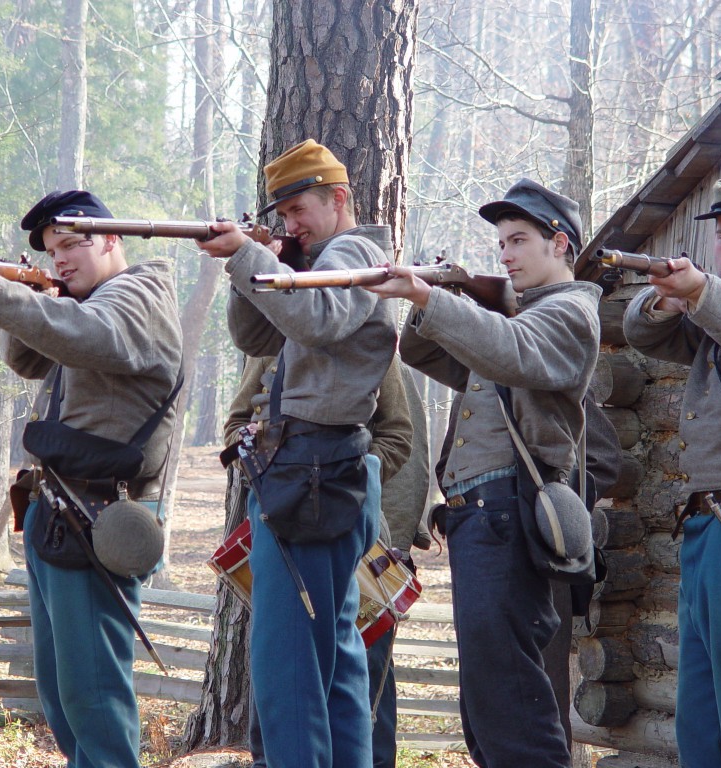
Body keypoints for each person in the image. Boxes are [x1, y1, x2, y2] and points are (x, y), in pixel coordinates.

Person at [367, 179, 601, 768]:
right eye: (500, 244)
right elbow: (423, 354)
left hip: (509, 509)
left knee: (510, 699)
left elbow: (513, 351)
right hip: (480, 515)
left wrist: (435, 298)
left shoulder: (570, 312)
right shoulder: (513, 314)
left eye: (519, 240)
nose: (505, 255)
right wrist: (448, 290)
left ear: (561, 244)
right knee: (487, 700)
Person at [0, 190, 182, 768]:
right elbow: (29, 358)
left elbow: (92, 335)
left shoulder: (137, 293)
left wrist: (8, 296)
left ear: (112, 238)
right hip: (58, 510)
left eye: (73, 242)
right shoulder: (86, 300)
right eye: (53, 249)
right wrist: (24, 296)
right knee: (63, 692)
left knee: (94, 695)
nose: (61, 258)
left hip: (98, 515)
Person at [197, 139, 397, 768]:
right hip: (309, 473)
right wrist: (260, 263)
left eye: (299, 211)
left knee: (285, 665)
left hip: (314, 470)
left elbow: (316, 323)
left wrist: (251, 255)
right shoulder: (314, 257)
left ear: (338, 198)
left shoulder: (354, 252)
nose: (292, 225)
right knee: (330, 664)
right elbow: (253, 332)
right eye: (282, 216)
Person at [622, 169, 721, 767]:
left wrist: (704, 294)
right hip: (709, 530)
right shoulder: (720, 307)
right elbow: (642, 331)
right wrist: (669, 293)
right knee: (702, 726)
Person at [225, 354, 430, 768]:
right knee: (286, 672)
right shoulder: (271, 343)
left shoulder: (372, 342)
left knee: (357, 680)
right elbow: (236, 425)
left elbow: (399, 442)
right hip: (281, 516)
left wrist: (355, 493)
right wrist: (275, 475)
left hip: (360, 540)